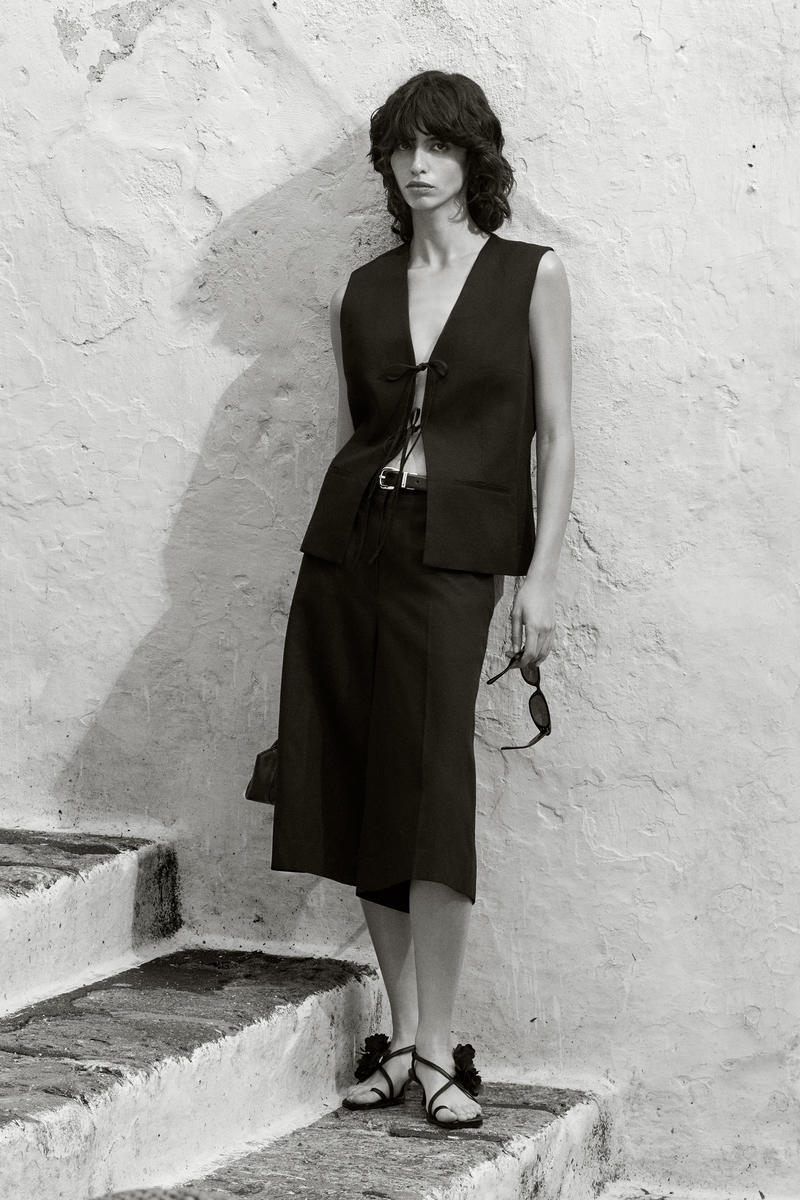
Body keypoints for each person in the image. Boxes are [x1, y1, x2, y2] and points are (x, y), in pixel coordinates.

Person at [270, 69, 574, 1129]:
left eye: (438, 144)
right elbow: (354, 434)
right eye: (401, 146)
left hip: (456, 560)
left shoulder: (529, 275)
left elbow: (556, 435)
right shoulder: (359, 290)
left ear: (473, 156)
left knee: (431, 788)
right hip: (349, 553)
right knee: (364, 777)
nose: (417, 164)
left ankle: (442, 1047)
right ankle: (403, 1041)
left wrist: (538, 577)